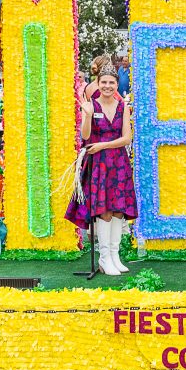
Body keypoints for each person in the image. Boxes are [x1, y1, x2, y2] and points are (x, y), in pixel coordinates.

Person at [68, 63, 135, 276]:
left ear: (116, 85)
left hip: (118, 162)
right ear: (98, 83)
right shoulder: (91, 105)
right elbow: (86, 136)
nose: (107, 86)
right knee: (104, 211)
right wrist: (86, 116)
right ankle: (104, 258)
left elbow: (127, 137)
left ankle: (115, 255)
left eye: (111, 83)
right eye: (103, 82)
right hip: (99, 165)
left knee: (117, 210)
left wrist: (104, 145)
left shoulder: (123, 106)